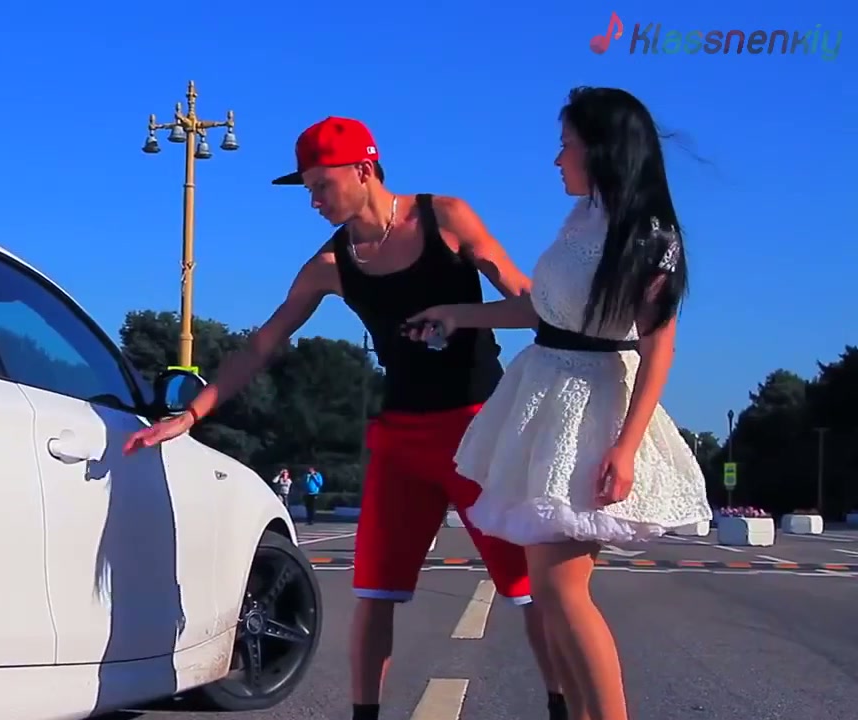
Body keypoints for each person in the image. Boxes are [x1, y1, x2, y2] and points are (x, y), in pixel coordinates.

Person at [123, 116, 567, 720]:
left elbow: (525, 296)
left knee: (528, 589)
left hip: (481, 430)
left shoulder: (446, 218)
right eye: (308, 189)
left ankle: (561, 704)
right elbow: (263, 343)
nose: (314, 201)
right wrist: (192, 412)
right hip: (403, 436)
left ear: (363, 169)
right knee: (375, 593)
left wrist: (567, 331)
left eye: (321, 185)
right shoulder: (331, 264)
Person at [404, 86, 713, 720]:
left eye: (566, 145)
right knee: (550, 592)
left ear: (602, 150)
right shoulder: (583, 218)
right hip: (547, 397)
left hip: (592, 407)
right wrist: (455, 314)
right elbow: (545, 313)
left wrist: (626, 447)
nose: (556, 159)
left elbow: (658, 348)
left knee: (563, 590)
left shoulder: (649, 237)